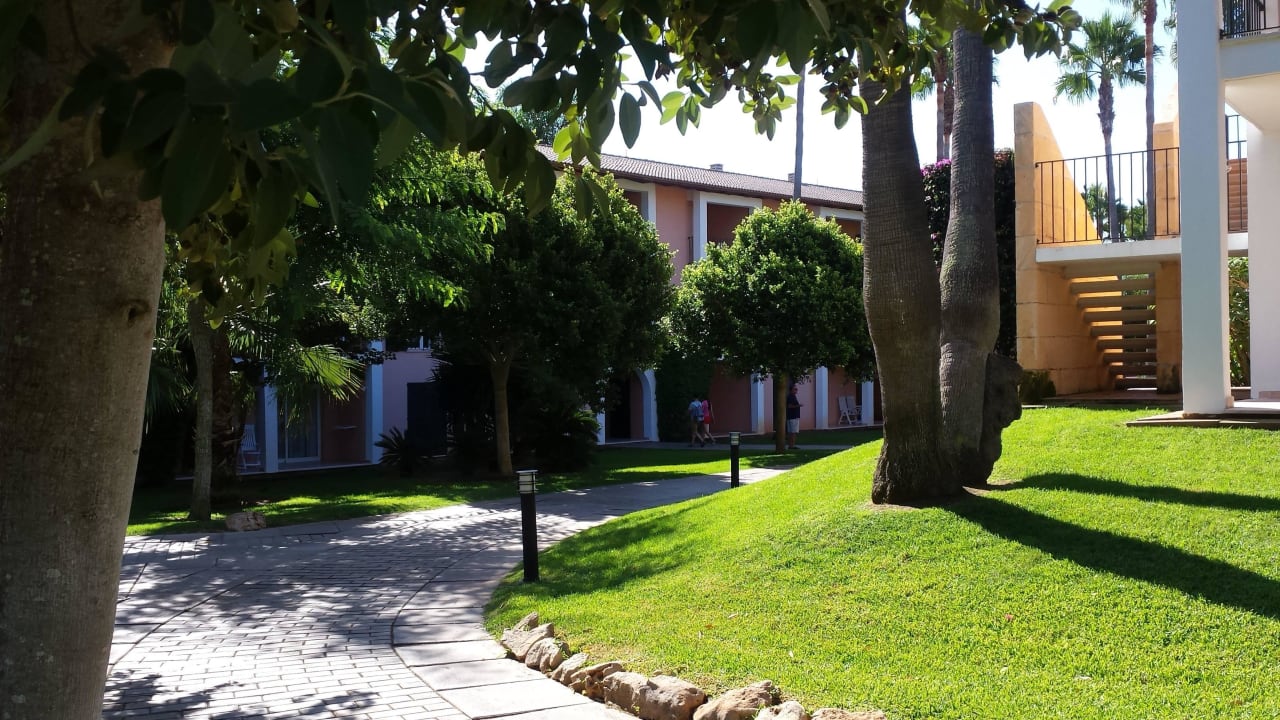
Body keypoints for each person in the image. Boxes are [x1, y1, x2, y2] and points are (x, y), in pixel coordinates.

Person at [785, 383, 802, 450]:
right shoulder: (791, 396)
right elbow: (789, 406)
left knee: (791, 432)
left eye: (796, 389)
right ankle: (792, 445)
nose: (796, 390)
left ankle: (790, 445)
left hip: (791, 416)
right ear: (791, 390)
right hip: (793, 417)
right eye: (795, 389)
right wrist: (798, 405)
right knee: (793, 432)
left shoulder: (792, 396)